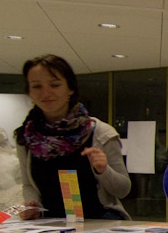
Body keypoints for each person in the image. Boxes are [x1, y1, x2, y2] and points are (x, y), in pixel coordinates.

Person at [15, 55, 131, 220]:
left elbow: (123, 190)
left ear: (71, 88)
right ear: (29, 92)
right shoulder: (26, 137)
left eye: (55, 85)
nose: (45, 93)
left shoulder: (101, 133)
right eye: (37, 86)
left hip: (100, 225)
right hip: (49, 227)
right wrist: (31, 205)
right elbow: (28, 185)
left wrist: (104, 170)